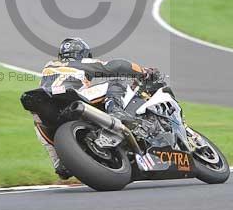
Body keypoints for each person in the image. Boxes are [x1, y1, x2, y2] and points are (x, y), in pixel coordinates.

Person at [32, 37, 158, 179]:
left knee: (38, 121)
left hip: (45, 105)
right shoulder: (80, 62)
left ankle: (58, 161)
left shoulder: (49, 66)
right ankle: (115, 111)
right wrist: (143, 71)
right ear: (82, 53)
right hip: (70, 96)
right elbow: (116, 66)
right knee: (116, 82)